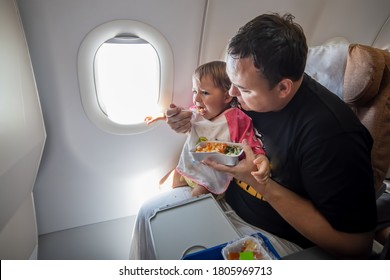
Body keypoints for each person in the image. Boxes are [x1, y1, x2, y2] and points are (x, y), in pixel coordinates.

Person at [163, 13, 377, 259]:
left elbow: (356, 247)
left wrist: (259, 184)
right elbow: (219, 126)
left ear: (283, 88)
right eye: (231, 82)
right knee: (151, 218)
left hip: (275, 238)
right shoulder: (253, 95)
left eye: (242, 89)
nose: (232, 93)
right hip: (223, 197)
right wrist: (185, 123)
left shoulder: (334, 137)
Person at [145, 61, 269, 197]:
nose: (196, 98)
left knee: (195, 198)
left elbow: (251, 144)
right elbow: (181, 115)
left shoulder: (236, 119)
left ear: (227, 96)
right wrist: (162, 115)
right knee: (162, 184)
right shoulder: (196, 113)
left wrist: (260, 158)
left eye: (204, 93)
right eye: (194, 91)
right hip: (188, 168)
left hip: (209, 179)